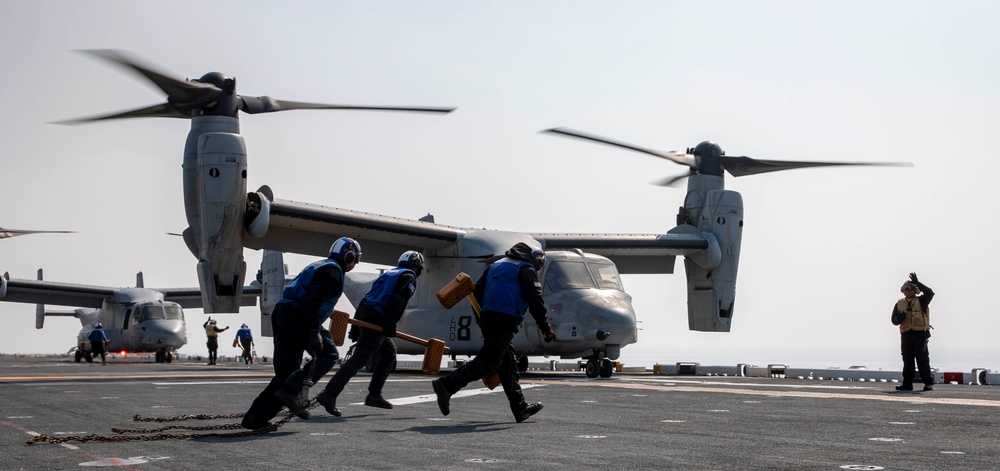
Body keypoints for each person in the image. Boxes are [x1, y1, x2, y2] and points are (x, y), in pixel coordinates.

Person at [242, 236, 361, 430]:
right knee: (329, 354)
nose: (355, 264)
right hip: (299, 314)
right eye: (355, 259)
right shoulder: (332, 272)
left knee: (286, 373)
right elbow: (312, 302)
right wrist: (313, 332)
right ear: (349, 257)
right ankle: (291, 391)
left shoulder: (322, 265)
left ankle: (255, 418)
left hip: (283, 312)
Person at [431, 242, 555, 423]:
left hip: (488, 317)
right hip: (505, 318)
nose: (538, 264)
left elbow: (476, 292)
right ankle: (446, 385)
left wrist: (481, 318)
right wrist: (546, 328)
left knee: (508, 363)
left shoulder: (495, 266)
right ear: (531, 256)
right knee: (490, 362)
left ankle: (519, 408)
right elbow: (534, 299)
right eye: (538, 260)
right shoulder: (526, 268)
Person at [314, 250, 424, 416]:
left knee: (389, 354)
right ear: (417, 266)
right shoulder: (408, 277)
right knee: (359, 359)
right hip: (378, 318)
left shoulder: (389, 275)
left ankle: (374, 394)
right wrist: (390, 325)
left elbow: (366, 298)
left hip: (368, 313)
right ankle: (329, 394)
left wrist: (356, 327)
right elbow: (398, 300)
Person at [891, 272, 935, 391]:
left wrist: (917, 282)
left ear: (915, 290)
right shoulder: (899, 303)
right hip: (906, 335)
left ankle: (928, 383)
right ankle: (907, 384)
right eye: (904, 288)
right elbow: (893, 320)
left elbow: (930, 293)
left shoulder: (922, 301)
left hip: (920, 335)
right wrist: (898, 319)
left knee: (922, 360)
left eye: (909, 288)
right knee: (907, 360)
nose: (906, 290)